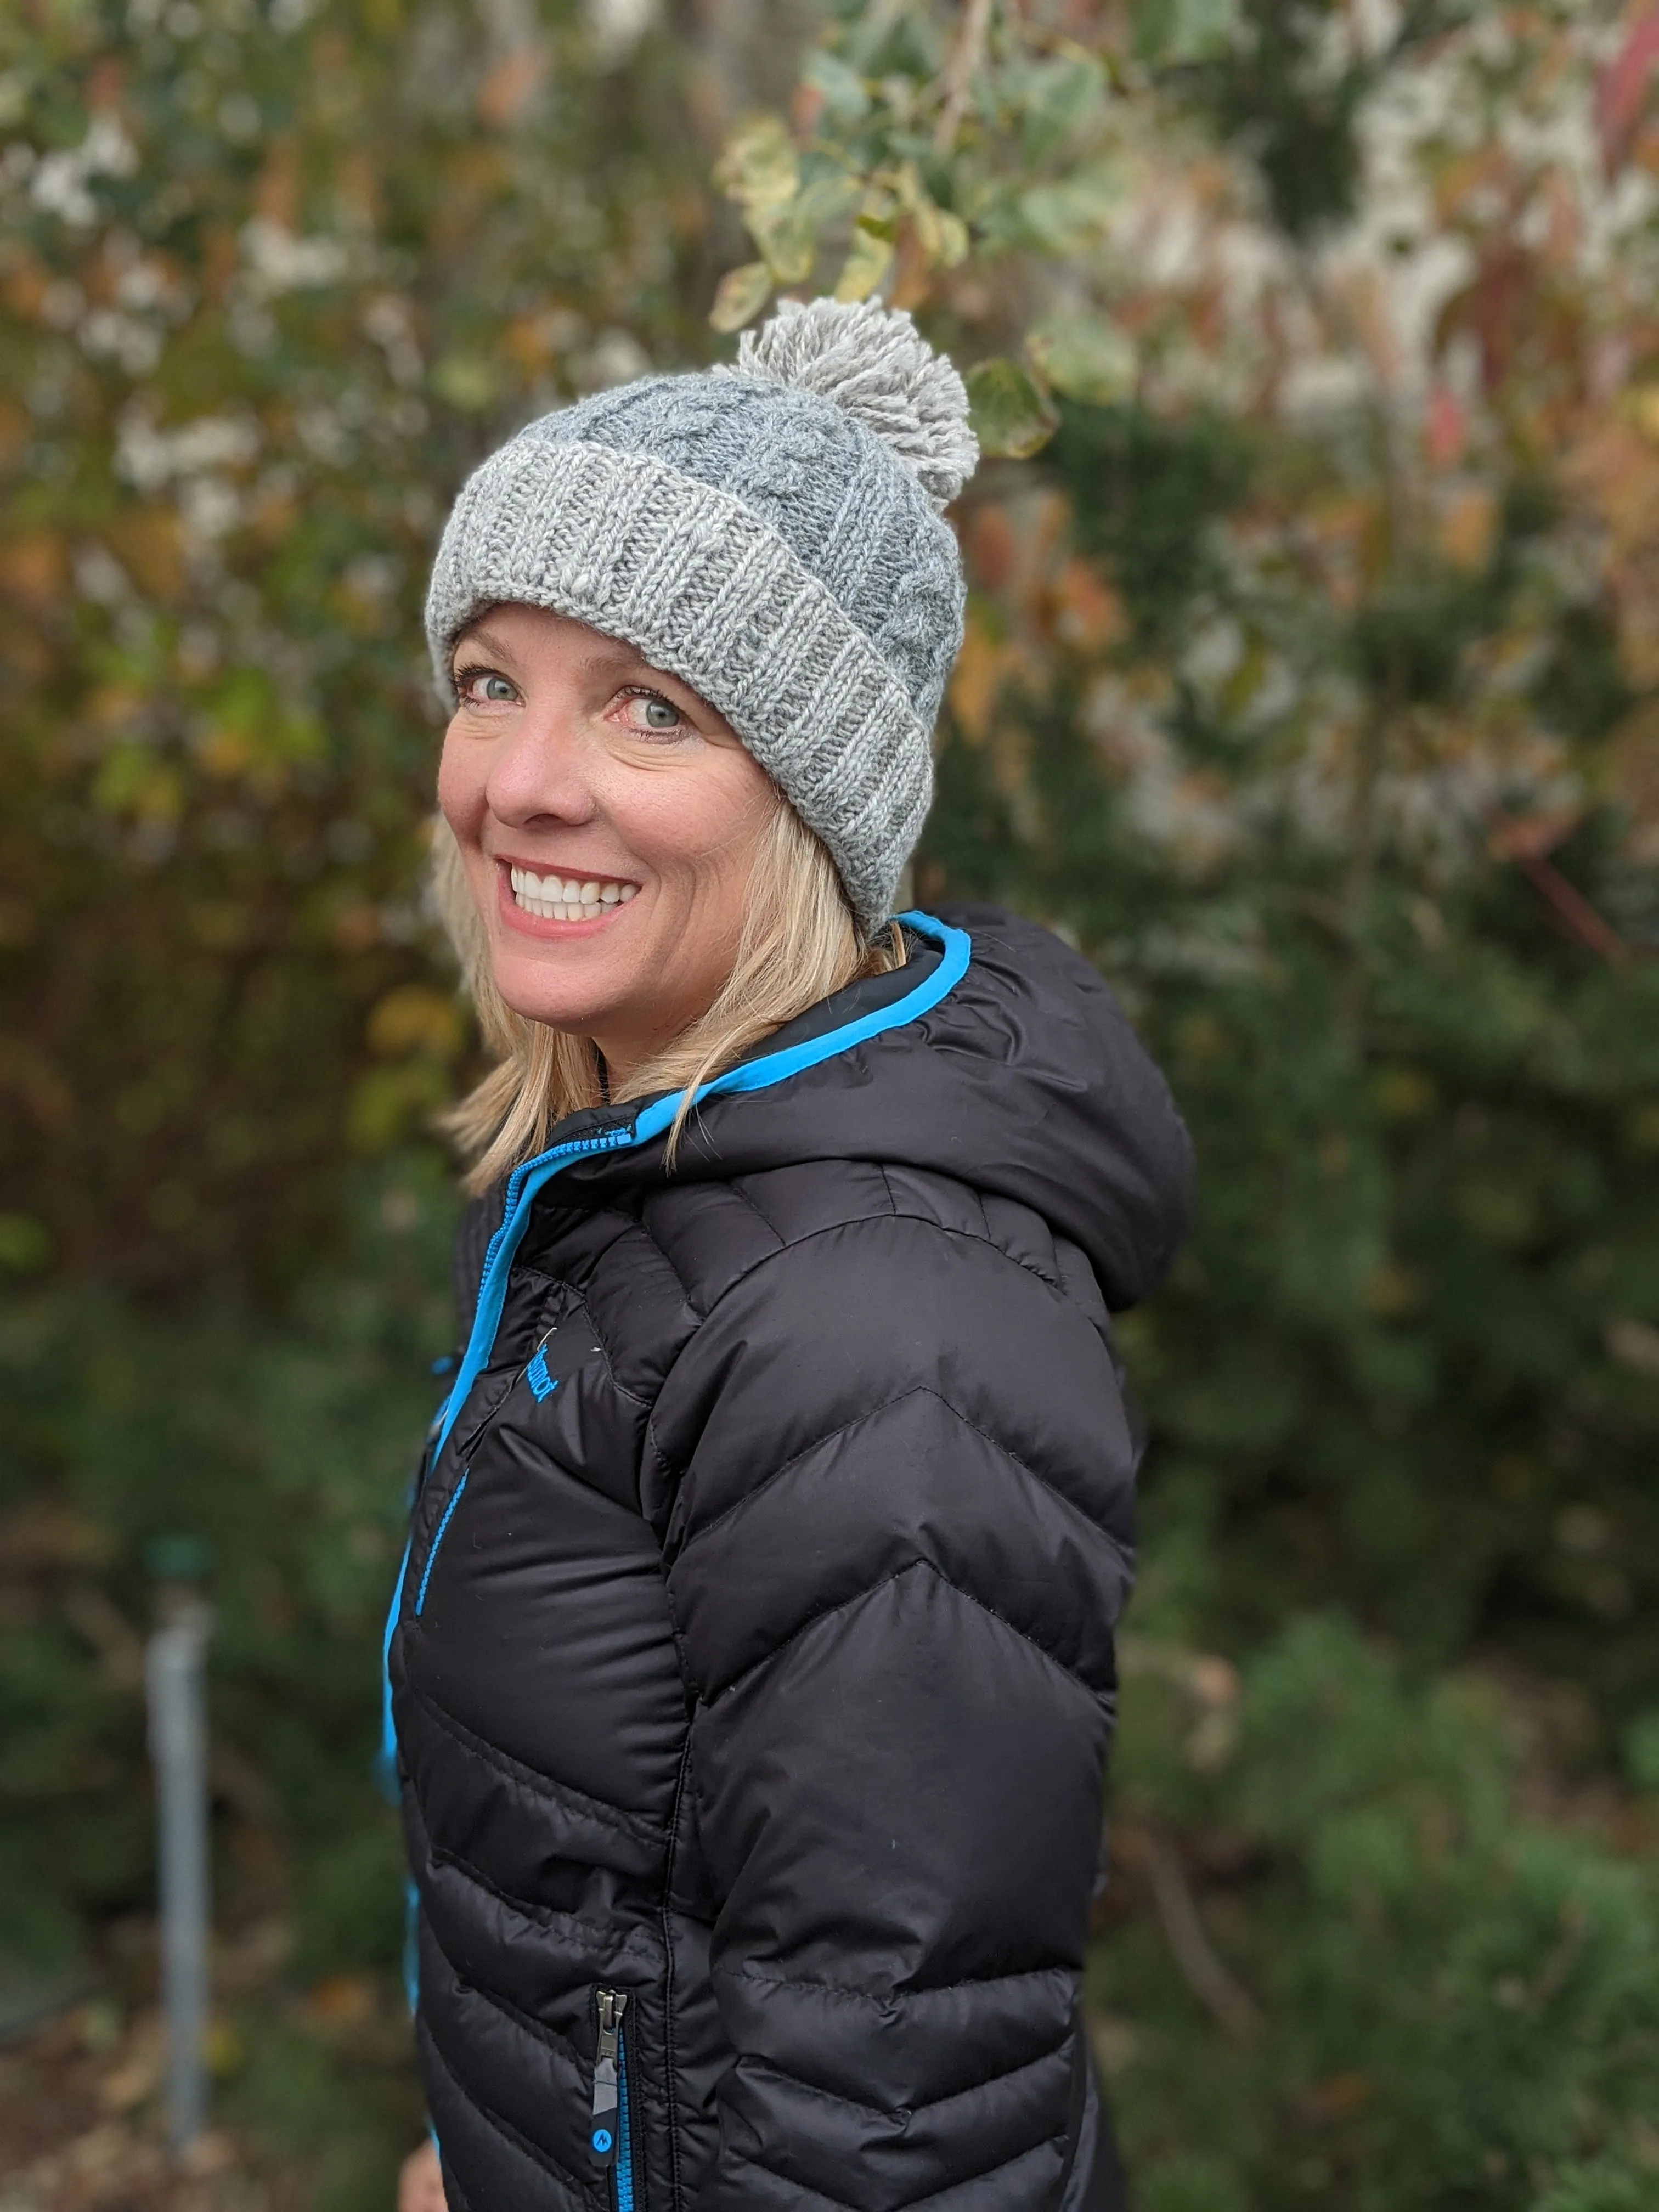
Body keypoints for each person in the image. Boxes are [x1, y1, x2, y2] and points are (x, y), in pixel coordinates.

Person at [386, 297, 1192, 2212]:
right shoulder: (649, 1168)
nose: (521, 781)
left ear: (815, 802)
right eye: (493, 679)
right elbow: (617, 1873)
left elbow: (894, 2125)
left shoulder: (878, 1321)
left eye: (649, 708)